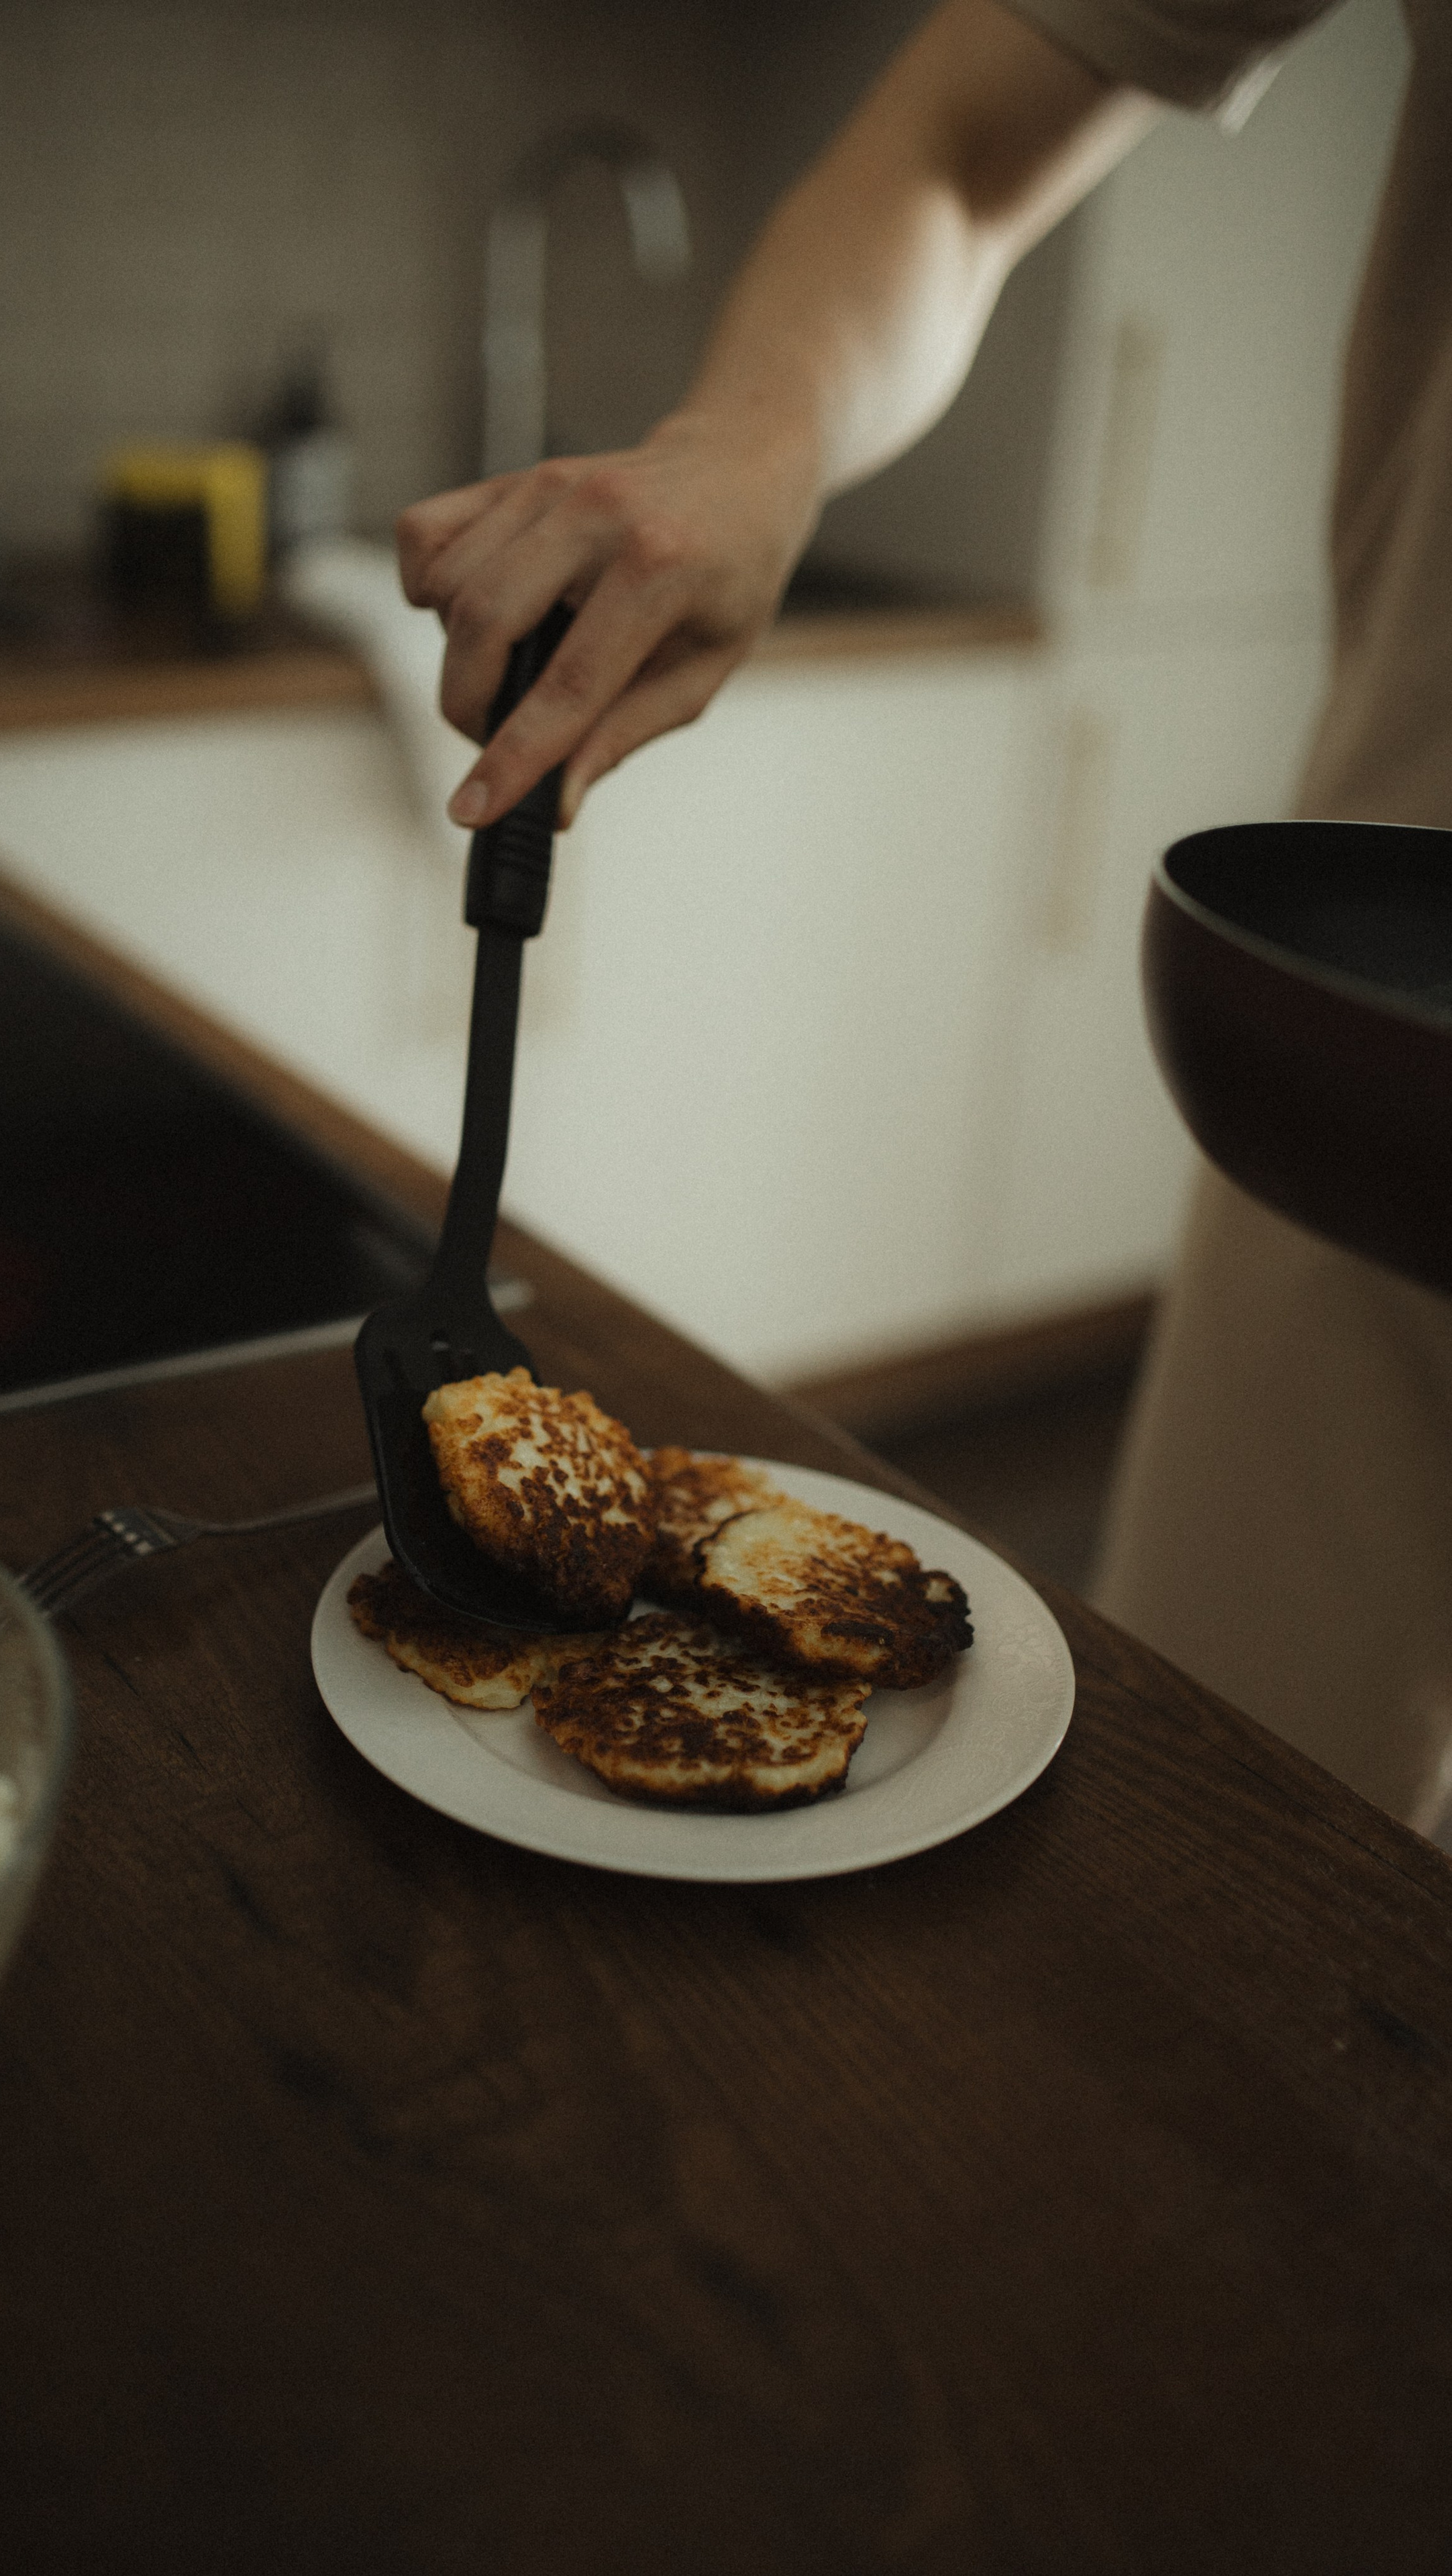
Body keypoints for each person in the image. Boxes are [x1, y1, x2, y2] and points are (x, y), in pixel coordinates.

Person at [397, 0, 1452, 1833]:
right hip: (1360, 1048)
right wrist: (754, 440)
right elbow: (963, 147)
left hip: (1347, 1020)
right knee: (1212, 1875)